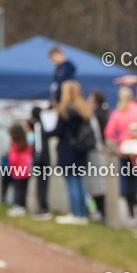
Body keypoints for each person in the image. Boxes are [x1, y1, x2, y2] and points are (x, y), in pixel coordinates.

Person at [104, 87, 137, 224]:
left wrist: (119, 141)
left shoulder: (118, 112)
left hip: (124, 150)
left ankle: (131, 212)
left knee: (127, 180)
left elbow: (109, 133)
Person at [52, 80, 93, 225]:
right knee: (80, 182)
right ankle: (83, 213)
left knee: (71, 183)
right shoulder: (84, 110)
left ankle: (75, 213)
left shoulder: (65, 111)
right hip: (81, 151)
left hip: (68, 151)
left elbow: (58, 131)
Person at [86, 90, 111, 222]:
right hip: (99, 149)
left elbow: (103, 132)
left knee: (97, 183)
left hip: (98, 151)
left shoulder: (98, 115)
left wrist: (102, 144)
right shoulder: (101, 113)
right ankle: (99, 210)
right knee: (97, 183)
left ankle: (101, 211)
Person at [29, 106, 52, 219]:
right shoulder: (44, 124)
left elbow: (38, 145)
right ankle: (43, 207)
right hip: (45, 158)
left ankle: (44, 208)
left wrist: (36, 159)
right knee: (43, 184)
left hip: (41, 159)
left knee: (41, 184)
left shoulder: (38, 126)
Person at [6, 123, 33, 217]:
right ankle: (23, 206)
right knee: (23, 190)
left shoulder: (15, 146)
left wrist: (10, 167)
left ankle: (18, 206)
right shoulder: (26, 144)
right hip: (26, 170)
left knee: (18, 189)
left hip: (18, 171)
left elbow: (13, 159)